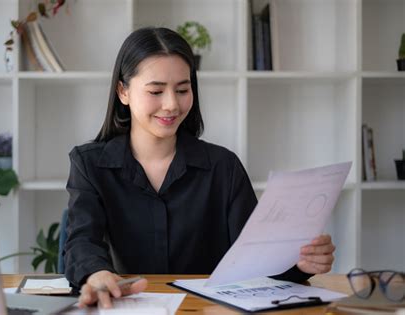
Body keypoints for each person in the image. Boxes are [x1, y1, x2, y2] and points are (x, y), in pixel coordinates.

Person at [64, 27, 336, 309]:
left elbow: (258, 258)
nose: (171, 104)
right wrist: (96, 274)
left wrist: (302, 262)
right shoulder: (90, 165)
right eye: (156, 91)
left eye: (182, 89)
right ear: (123, 91)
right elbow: (82, 240)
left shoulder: (223, 167)